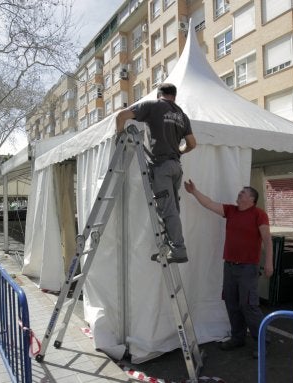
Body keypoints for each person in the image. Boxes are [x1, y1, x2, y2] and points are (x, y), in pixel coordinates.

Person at [183, 179, 274, 357]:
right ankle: (238, 337)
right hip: (230, 266)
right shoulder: (231, 210)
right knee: (231, 303)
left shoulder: (259, 214)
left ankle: (263, 342)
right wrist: (194, 191)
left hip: (248, 268)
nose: (239, 194)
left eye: (243, 192)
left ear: (252, 199)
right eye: (240, 192)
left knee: (248, 305)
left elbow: (267, 240)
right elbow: (209, 203)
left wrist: (269, 262)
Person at [115, 83, 196, 263]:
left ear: (159, 94)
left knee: (167, 209)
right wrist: (179, 151)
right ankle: (171, 245)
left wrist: (119, 136)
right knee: (173, 208)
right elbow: (192, 143)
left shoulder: (152, 106)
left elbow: (121, 116)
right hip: (176, 167)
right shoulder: (182, 116)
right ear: (174, 96)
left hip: (162, 166)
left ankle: (178, 249)